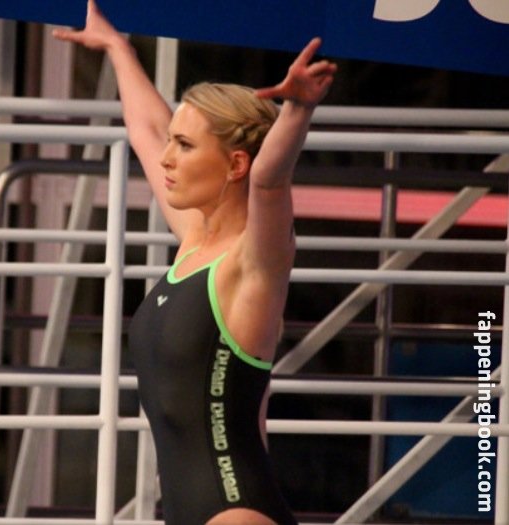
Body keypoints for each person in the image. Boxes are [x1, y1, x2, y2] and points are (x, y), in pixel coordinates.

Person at [55, 2, 337, 524]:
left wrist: (297, 110)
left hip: (235, 513)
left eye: (184, 146)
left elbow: (269, 181)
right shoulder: (192, 243)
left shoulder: (252, 263)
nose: (166, 158)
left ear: (235, 164)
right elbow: (146, 129)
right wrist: (117, 48)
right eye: (173, 142)